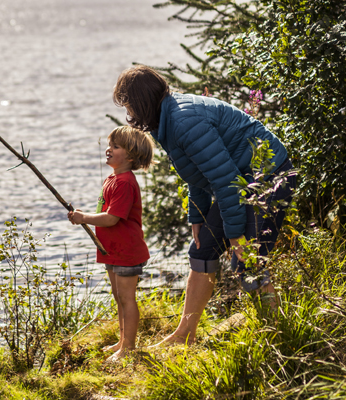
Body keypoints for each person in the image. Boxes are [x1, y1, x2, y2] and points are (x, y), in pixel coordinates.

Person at [113, 65, 296, 346]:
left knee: (246, 261)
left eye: (128, 104)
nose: (129, 113)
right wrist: (196, 216)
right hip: (242, 179)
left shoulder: (184, 121)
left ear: (141, 102)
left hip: (269, 175)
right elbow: (198, 172)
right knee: (203, 248)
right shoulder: (168, 118)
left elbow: (225, 181)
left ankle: (279, 336)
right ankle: (184, 335)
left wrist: (235, 236)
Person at [68, 125, 154, 360]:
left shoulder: (125, 182)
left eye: (116, 147)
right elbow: (105, 211)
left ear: (131, 155)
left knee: (127, 298)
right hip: (112, 250)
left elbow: (112, 218)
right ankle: (123, 341)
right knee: (119, 297)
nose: (108, 149)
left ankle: (129, 348)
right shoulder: (112, 179)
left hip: (126, 250)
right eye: (109, 145)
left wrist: (83, 218)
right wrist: (85, 216)